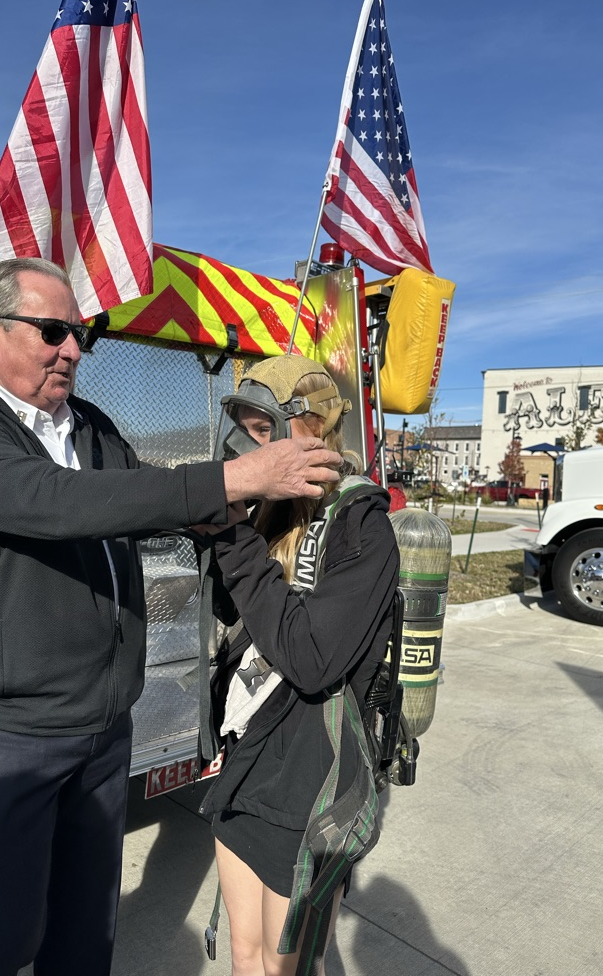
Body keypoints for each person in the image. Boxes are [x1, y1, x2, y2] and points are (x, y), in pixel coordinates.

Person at [0, 258, 343, 976]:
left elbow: (137, 493)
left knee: (85, 934)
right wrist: (231, 478)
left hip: (105, 724)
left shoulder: (88, 425)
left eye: (78, 335)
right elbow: (61, 504)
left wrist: (251, 518)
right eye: (53, 332)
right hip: (13, 733)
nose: (73, 351)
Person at [195, 354, 400, 976]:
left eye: (263, 430)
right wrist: (226, 517)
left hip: (310, 778)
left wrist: (233, 542)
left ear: (309, 429)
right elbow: (237, 617)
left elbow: (312, 660)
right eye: (242, 427)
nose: (245, 446)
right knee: (244, 954)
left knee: (285, 967)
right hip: (249, 757)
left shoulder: (362, 530)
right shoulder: (272, 509)